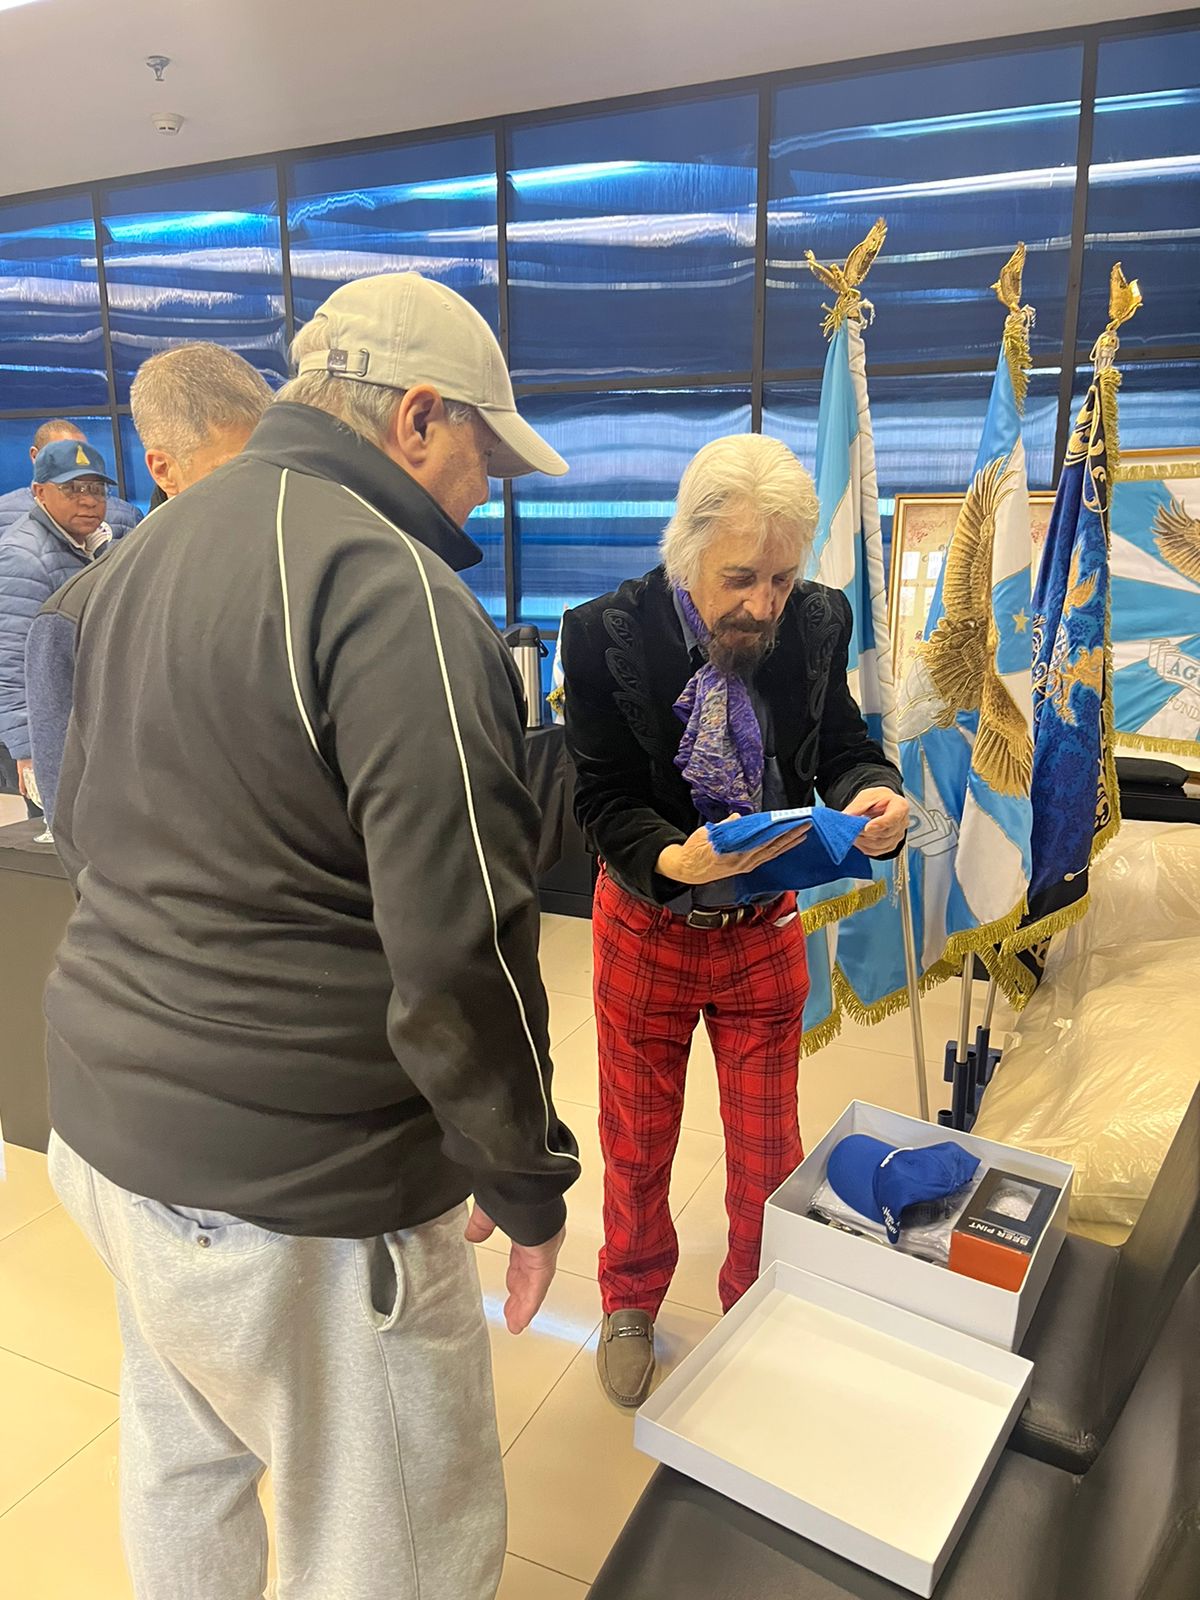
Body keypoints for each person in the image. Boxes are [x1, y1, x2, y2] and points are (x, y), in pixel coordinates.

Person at [43, 272, 581, 1600]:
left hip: (111, 1147)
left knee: (184, 1463)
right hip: (306, 1197)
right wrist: (522, 1177)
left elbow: (87, 835)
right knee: (394, 1543)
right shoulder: (389, 586)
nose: (488, 491)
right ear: (414, 417)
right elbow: (463, 940)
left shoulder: (121, 572)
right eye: (484, 453)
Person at [561, 433, 909, 1408]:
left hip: (761, 930)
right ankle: (629, 1299)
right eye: (741, 577)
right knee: (638, 1137)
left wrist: (873, 794)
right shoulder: (603, 633)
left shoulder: (812, 621)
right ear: (687, 554)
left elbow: (838, 739)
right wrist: (676, 859)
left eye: (783, 578)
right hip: (648, 922)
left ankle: (757, 1306)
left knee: (768, 1147)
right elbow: (602, 794)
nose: (763, 606)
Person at [25, 343, 273, 825]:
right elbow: (69, 805)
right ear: (163, 470)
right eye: (233, 470)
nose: (259, 488)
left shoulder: (293, 571)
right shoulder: (71, 611)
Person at [0, 439, 119, 810]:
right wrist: (29, 753)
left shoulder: (100, 543)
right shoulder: (24, 557)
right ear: (39, 492)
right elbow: (11, 663)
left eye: (96, 489)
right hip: (52, 740)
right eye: (72, 489)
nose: (88, 500)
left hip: (91, 728)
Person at [0, 418, 141, 539]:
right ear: (35, 456)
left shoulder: (125, 516)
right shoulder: (5, 513)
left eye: (82, 451)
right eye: (60, 453)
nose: (74, 461)